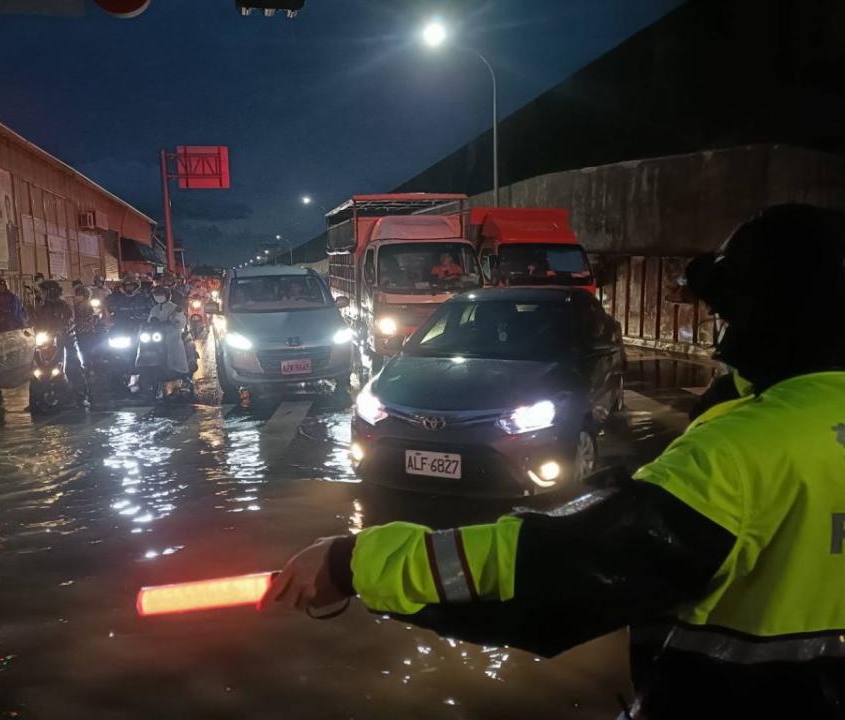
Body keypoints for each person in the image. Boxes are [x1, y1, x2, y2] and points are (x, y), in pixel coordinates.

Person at [262, 204, 845, 719]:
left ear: (760, 318)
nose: (719, 330)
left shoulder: (741, 452)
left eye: (727, 310)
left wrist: (353, 563)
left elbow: (553, 568)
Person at [35, 281, 88, 405]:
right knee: (38, 366)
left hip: (66, 340)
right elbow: (38, 323)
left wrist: (61, 331)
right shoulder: (43, 308)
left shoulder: (64, 306)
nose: (41, 294)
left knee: (73, 365)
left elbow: (70, 321)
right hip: (48, 341)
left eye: (43, 291)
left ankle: (81, 395)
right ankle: (37, 395)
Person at [145, 287, 189, 380]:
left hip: (171, 336)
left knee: (176, 352)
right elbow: (149, 320)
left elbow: (180, 321)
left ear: (167, 295)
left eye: (161, 295)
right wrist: (151, 322)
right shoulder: (154, 309)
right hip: (157, 336)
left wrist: (173, 322)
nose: (158, 297)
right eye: (156, 295)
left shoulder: (174, 308)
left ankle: (182, 374)